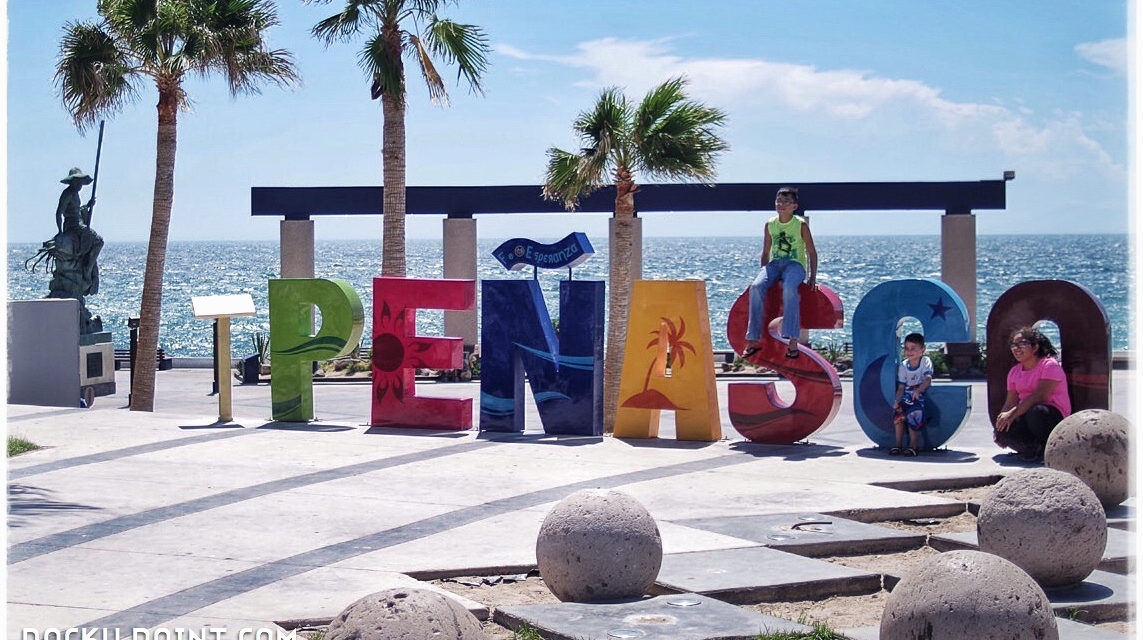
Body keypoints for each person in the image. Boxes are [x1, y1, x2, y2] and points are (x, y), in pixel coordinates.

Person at [743, 187, 818, 359]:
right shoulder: (770, 224)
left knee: (790, 288)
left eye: (786, 202)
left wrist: (812, 277)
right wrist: (763, 275)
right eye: (779, 201)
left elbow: (812, 252)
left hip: (795, 265)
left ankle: (792, 340)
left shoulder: (800, 224)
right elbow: (765, 252)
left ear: (794, 206)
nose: (781, 205)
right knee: (755, 287)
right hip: (775, 264)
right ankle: (753, 339)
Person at [994, 326, 1071, 461]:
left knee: (1037, 412)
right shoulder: (1014, 371)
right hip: (1025, 412)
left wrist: (1011, 414)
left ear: (1035, 347)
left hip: (1049, 414)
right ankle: (1031, 448)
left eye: (1022, 344)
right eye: (1013, 345)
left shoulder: (1049, 365)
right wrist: (1000, 425)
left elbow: (1039, 396)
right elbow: (1010, 402)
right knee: (1006, 427)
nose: (1016, 348)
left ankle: (1047, 449)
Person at [890, 333, 933, 456]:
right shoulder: (904, 366)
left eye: (913, 349)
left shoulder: (925, 361)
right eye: (907, 348)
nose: (909, 352)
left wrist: (918, 390)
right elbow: (901, 387)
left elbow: (928, 378)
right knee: (898, 414)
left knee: (913, 413)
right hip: (906, 394)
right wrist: (897, 400)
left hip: (918, 395)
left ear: (922, 350)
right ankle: (898, 444)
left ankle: (913, 445)